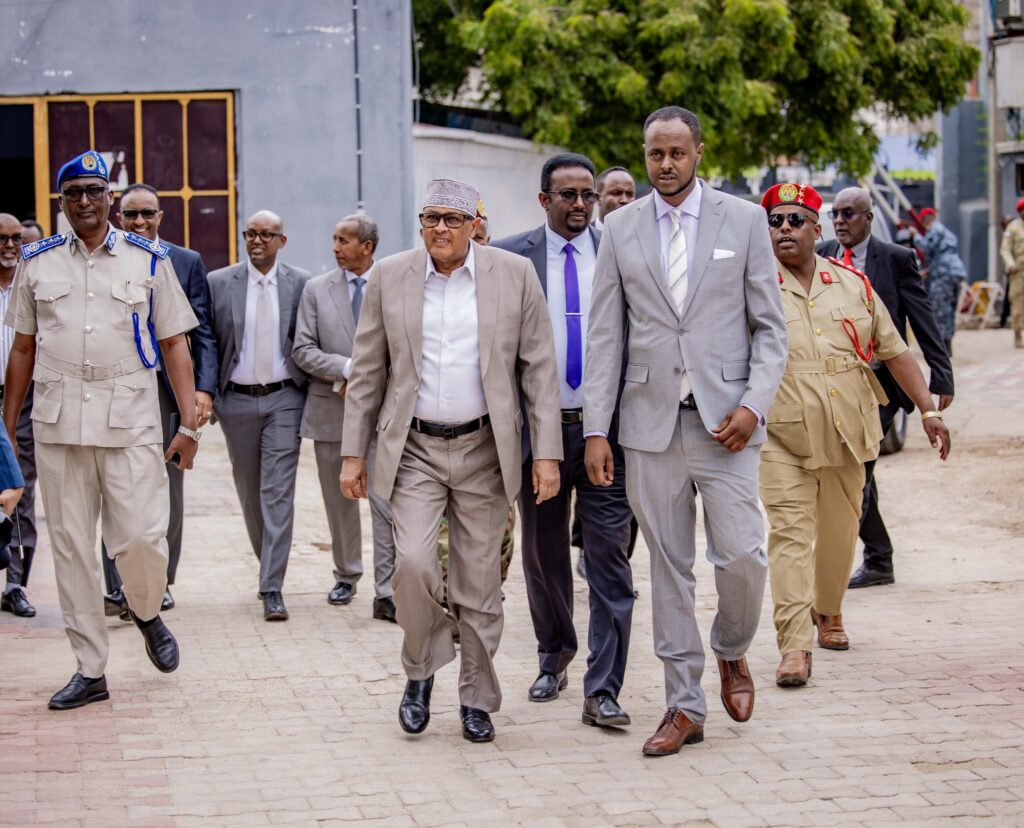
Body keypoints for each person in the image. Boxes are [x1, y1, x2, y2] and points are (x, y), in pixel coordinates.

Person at [583, 106, 787, 755]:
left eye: (676, 153)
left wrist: (754, 405)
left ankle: (731, 649)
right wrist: (596, 430)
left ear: (698, 151)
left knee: (744, 558)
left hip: (728, 424)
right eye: (654, 154)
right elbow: (605, 335)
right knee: (669, 568)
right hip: (649, 427)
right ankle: (684, 704)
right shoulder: (620, 227)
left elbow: (771, 330)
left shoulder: (745, 220)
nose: (665, 165)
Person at [340, 178, 562, 744]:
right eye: (430, 217)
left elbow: (538, 371)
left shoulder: (513, 276)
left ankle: (477, 699)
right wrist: (351, 453)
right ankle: (421, 669)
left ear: (473, 225)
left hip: (486, 449)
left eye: (452, 219)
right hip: (413, 449)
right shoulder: (391, 276)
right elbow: (367, 372)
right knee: (412, 566)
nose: (439, 228)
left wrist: (547, 456)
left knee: (479, 582)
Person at [3, 150, 200, 710]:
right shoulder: (36, 264)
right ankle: (90, 668)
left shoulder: (147, 258)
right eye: (73, 194)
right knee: (72, 549)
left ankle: (144, 609)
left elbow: (174, 344)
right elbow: (22, 348)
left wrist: (189, 424)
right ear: (61, 203)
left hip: (131, 417)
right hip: (59, 421)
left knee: (140, 537)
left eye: (94, 191)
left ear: (110, 198)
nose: (84, 202)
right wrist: (4, 437)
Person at [761, 182, 951, 685]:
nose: (784, 229)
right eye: (775, 221)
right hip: (780, 433)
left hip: (848, 430)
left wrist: (929, 411)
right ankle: (794, 644)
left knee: (842, 533)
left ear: (816, 230)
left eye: (795, 220)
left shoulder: (852, 284)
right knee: (789, 534)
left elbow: (894, 349)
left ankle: (828, 609)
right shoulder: (753, 285)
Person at [493, 153, 636, 727]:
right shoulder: (507, 257)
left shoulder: (619, 251)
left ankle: (603, 687)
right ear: (544, 199)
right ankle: (554, 654)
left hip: (608, 431)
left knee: (610, 558)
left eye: (588, 195)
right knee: (544, 553)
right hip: (538, 431)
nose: (581, 205)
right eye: (568, 195)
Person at [817, 187, 954, 589]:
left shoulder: (895, 259)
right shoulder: (820, 253)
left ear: (868, 218)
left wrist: (940, 376)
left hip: (883, 385)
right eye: (836, 214)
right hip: (838, 384)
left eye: (848, 214)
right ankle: (880, 557)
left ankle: (848, 567)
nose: (840, 221)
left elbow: (922, 319)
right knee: (854, 470)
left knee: (858, 466)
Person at [100, 182, 218, 615]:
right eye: (131, 214)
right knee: (111, 487)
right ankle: (116, 587)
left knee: (167, 488)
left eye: (147, 213)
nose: (139, 222)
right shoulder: (103, 261)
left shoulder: (185, 262)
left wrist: (202, 390)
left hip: (168, 392)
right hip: (115, 391)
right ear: (119, 218)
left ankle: (162, 582)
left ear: (161, 216)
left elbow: (201, 331)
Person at [292, 214, 396, 621]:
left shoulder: (393, 285)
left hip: (384, 416)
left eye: (343, 240)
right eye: (333, 239)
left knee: (385, 503)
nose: (334, 247)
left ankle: (387, 590)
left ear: (366, 246)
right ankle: (347, 574)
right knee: (339, 502)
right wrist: (349, 369)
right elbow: (302, 350)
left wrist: (372, 378)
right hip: (331, 411)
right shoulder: (316, 290)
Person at [208, 211, 310, 622]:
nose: (257, 241)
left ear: (282, 241)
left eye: (266, 235)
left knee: (277, 492)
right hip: (235, 401)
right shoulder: (220, 283)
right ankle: (267, 562)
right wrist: (207, 395)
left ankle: (272, 586)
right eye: (251, 234)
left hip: (285, 399)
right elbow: (208, 342)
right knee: (251, 494)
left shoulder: (301, 283)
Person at [0, 214, 38, 618]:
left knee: (19, 492)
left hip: (26, 405)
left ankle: (15, 584)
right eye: (2, 239)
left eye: (16, 239)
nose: (10, 246)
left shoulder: (32, 288)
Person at [911, 208, 966, 356]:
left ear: (925, 221)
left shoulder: (935, 229)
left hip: (943, 275)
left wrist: (915, 236)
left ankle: (943, 348)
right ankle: (947, 344)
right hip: (953, 272)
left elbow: (926, 247)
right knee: (949, 309)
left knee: (940, 310)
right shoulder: (945, 231)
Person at [1000, 197, 1024, 349]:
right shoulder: (1013, 228)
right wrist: (1010, 264)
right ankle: (1017, 334)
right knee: (1017, 305)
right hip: (1019, 272)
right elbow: (1005, 249)